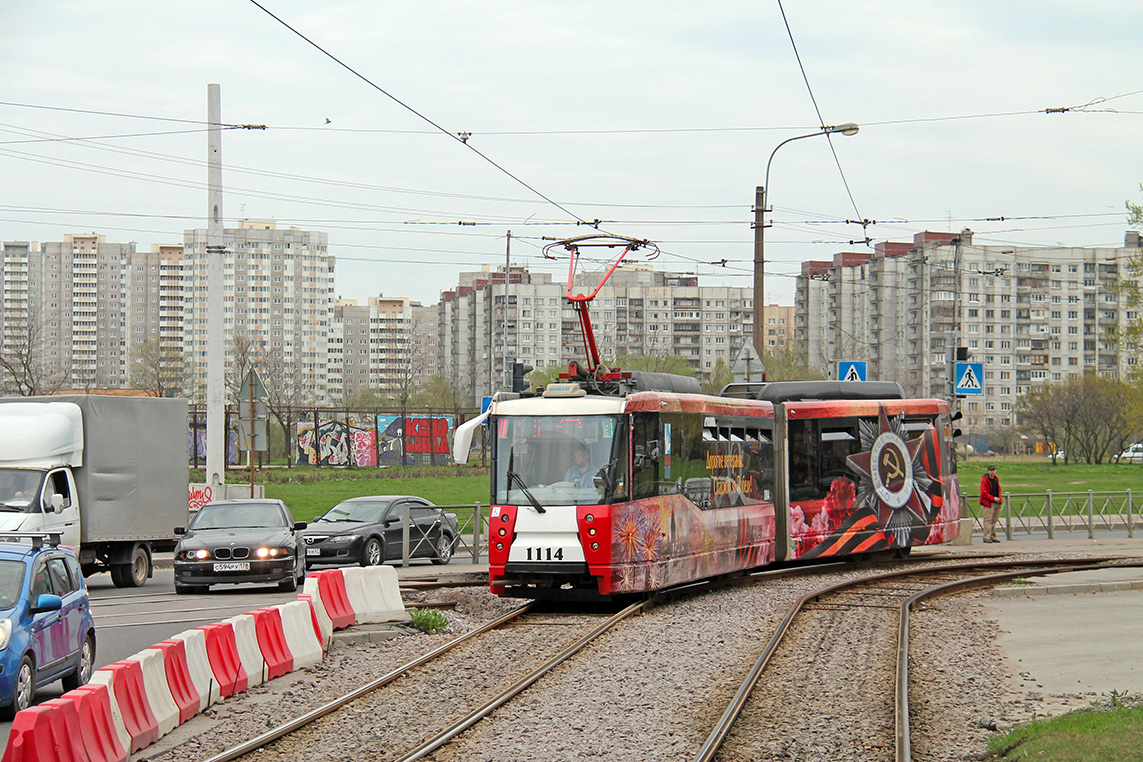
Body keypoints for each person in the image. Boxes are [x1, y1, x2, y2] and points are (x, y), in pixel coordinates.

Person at [979, 464, 1003, 543]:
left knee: (994, 520)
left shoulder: (996, 479)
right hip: (989, 503)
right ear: (988, 471)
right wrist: (992, 498)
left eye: (993, 470)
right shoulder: (985, 480)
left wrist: (999, 499)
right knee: (988, 520)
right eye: (991, 470)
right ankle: (986, 537)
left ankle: (992, 536)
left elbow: (999, 490)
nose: (992, 472)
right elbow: (983, 492)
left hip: (997, 502)